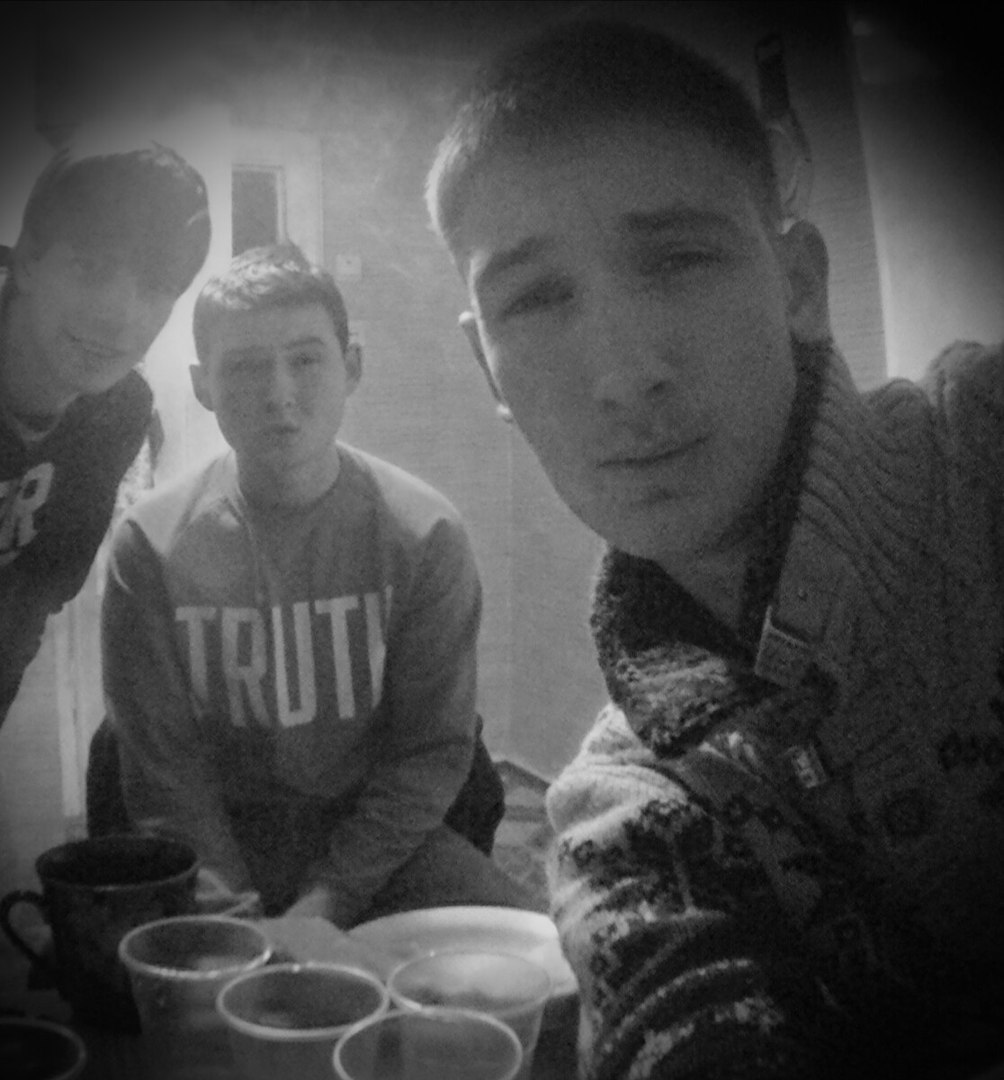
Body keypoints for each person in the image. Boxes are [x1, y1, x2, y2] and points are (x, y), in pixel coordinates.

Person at [425, 18, 1004, 1080]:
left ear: (797, 283)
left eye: (678, 258)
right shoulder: (626, 826)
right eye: (535, 298)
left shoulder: (985, 450)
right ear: (485, 368)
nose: (622, 374)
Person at [101, 242, 533, 927]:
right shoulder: (149, 546)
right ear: (203, 385)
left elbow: (428, 752)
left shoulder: (425, 533)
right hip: (215, 847)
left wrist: (327, 902)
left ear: (351, 365)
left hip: (379, 847)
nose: (279, 394)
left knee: (541, 964)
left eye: (305, 359)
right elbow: (165, 774)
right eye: (246, 366)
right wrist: (238, 925)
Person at [0, 130, 210, 726]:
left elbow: (35, 596)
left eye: (155, 287)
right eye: (91, 268)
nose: (120, 316)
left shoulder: (118, 412)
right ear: (28, 260)